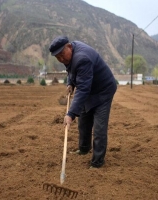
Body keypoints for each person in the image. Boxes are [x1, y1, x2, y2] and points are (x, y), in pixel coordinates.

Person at [49, 36, 117, 168]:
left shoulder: (82, 58)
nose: (62, 59)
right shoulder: (70, 54)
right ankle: (84, 148)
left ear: (69, 46)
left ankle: (97, 162)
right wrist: (70, 83)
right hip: (90, 89)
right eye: (58, 58)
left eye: (62, 55)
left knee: (99, 127)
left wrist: (70, 113)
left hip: (103, 91)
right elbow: (71, 70)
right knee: (84, 121)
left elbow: (83, 89)